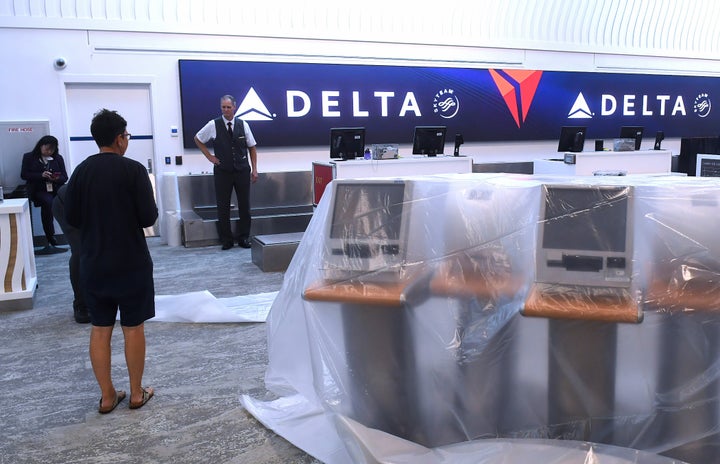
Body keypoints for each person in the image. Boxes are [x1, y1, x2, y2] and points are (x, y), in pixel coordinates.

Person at [65, 109, 157, 413]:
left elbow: (72, 218)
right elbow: (149, 217)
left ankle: (107, 396)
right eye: (126, 136)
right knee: (133, 328)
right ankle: (134, 393)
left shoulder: (81, 171)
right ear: (119, 139)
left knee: (100, 328)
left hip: (93, 262)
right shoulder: (133, 170)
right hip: (131, 262)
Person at [194, 95, 259, 250]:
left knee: (245, 206)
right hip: (223, 172)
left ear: (234, 107)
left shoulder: (243, 125)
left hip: (242, 170)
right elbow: (197, 138)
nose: (226, 110)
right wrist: (210, 156)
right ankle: (227, 240)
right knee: (223, 206)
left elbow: (252, 147)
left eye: (228, 107)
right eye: (223, 107)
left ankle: (244, 238)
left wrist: (255, 169)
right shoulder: (213, 124)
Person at [20, 135, 69, 248]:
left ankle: (71, 231)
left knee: (68, 199)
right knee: (48, 202)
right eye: (47, 149)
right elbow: (24, 175)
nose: (49, 152)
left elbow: (64, 177)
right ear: (40, 146)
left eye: (52, 150)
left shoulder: (58, 158)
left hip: (55, 188)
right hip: (38, 189)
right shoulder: (29, 157)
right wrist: (40, 175)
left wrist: (55, 178)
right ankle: (50, 235)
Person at [51, 184, 90, 324]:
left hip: (90, 204)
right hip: (66, 203)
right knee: (81, 250)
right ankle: (81, 305)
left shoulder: (129, 176)